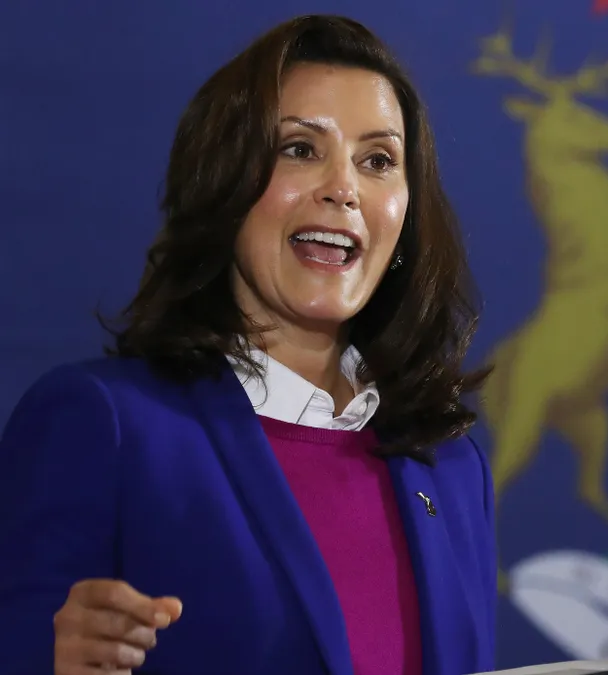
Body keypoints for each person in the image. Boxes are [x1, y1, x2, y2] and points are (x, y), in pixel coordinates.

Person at [0, 14, 496, 675]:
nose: (343, 188)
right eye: (299, 148)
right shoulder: (104, 425)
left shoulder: (451, 466)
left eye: (378, 160)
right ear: (224, 181)